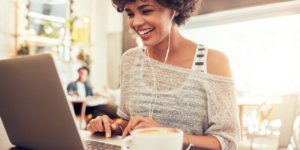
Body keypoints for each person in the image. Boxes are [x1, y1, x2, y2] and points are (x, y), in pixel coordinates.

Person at [87, 0, 240, 149]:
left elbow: (227, 141)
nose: (136, 22)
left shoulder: (213, 62)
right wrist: (112, 127)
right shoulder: (130, 60)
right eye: (130, 14)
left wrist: (167, 135)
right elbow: (131, 127)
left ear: (175, 8)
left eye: (146, 10)